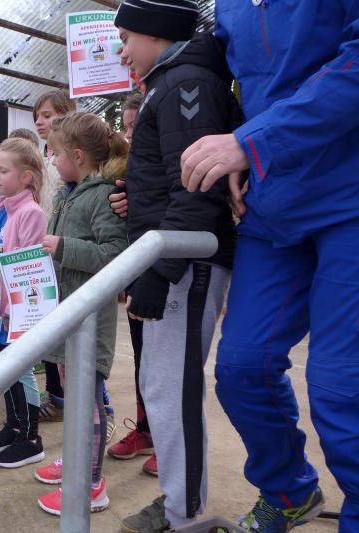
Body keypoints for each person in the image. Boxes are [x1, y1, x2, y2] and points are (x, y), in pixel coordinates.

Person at [181, 2, 359, 531]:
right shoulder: (229, 8)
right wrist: (237, 147)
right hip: (272, 205)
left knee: (340, 386)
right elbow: (244, 87)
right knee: (242, 369)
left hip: (348, 198)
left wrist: (251, 142)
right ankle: (289, 491)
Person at [113, 1, 242, 531]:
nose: (122, 51)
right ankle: (178, 500)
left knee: (172, 386)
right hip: (176, 258)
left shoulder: (186, 83)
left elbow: (196, 188)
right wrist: (135, 196)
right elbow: (172, 177)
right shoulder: (170, 84)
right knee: (160, 383)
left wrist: (159, 271)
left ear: (155, 32)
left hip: (188, 262)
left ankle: (181, 513)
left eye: (126, 37)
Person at [32, 112, 128, 516]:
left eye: (55, 154)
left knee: (88, 404)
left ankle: (90, 483)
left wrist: (64, 248)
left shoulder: (103, 197)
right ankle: (74, 460)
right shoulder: (65, 195)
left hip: (90, 321)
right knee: (74, 398)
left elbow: (116, 255)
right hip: (66, 314)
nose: (52, 161)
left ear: (77, 155)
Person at [0, 138, 47, 468]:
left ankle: (31, 438)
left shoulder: (31, 213)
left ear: (26, 176)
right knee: (3, 366)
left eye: (3, 171)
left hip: (14, 309)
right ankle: (13, 425)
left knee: (21, 369)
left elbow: (28, 267)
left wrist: (12, 308)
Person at [107, 121, 158, 478]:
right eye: (126, 127)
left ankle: (170, 439)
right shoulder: (126, 173)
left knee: (166, 366)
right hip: (137, 273)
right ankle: (146, 429)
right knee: (142, 357)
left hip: (169, 271)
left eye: (137, 125)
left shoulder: (166, 162)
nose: (131, 134)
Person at [31, 89, 76, 424]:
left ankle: (91, 401)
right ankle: (56, 395)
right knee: (46, 325)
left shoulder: (72, 161)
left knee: (69, 329)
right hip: (43, 250)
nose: (39, 122)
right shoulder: (42, 158)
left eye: (47, 115)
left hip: (65, 251)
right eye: (37, 116)